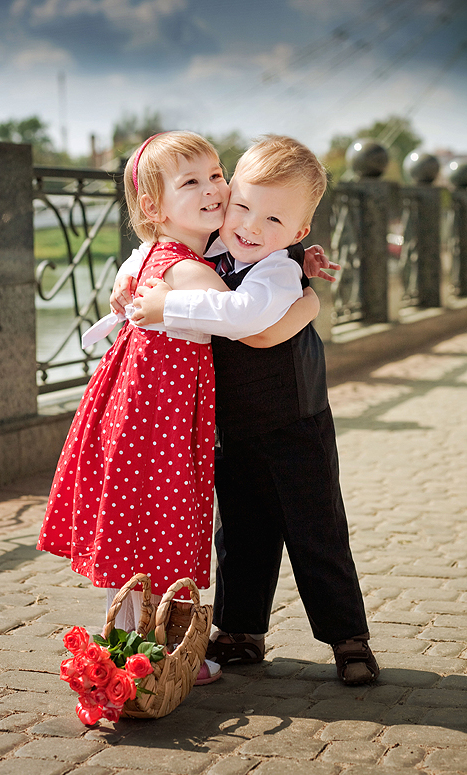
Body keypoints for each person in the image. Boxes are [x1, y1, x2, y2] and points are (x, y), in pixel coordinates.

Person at [37, 131, 319, 686]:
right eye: (191, 182)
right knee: (161, 524)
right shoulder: (192, 272)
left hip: (137, 412)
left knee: (139, 527)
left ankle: (132, 648)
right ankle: (148, 655)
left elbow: (150, 269)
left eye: (216, 175)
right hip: (160, 421)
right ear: (153, 207)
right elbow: (251, 320)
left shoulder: (156, 255)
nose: (213, 188)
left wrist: (294, 256)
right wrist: (306, 298)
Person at [117, 135, 379, 686]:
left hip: (294, 419)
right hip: (233, 425)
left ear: (299, 232)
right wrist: (127, 275)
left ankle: (347, 637)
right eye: (241, 207)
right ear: (230, 196)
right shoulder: (214, 247)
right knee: (240, 533)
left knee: (316, 529)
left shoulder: (277, 270)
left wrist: (169, 305)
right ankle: (240, 630)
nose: (251, 228)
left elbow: (244, 316)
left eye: (273, 220)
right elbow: (157, 247)